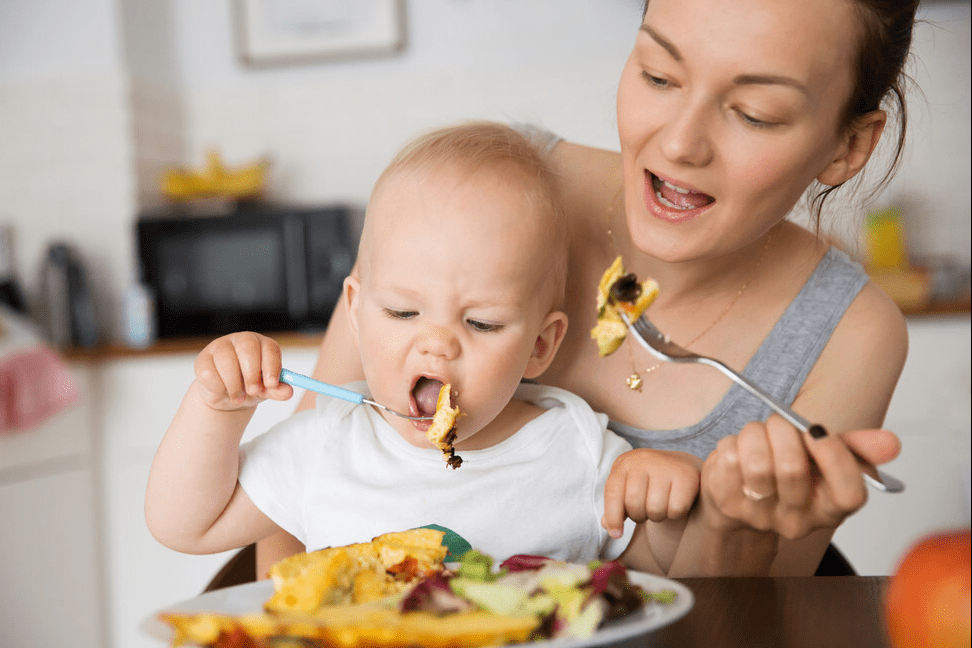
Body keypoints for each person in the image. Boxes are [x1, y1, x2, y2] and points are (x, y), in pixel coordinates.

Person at [258, 0, 918, 577]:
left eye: (755, 113)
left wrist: (729, 526)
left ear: (848, 146)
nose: (681, 143)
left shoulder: (850, 333)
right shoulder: (480, 191)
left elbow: (739, 615)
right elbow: (293, 505)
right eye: (659, 75)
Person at [144, 122, 704, 573]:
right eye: (403, 312)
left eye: (482, 323)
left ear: (539, 346)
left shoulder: (577, 452)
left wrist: (666, 507)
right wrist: (217, 408)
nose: (437, 346)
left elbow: (653, 582)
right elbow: (183, 525)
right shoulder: (326, 445)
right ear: (357, 314)